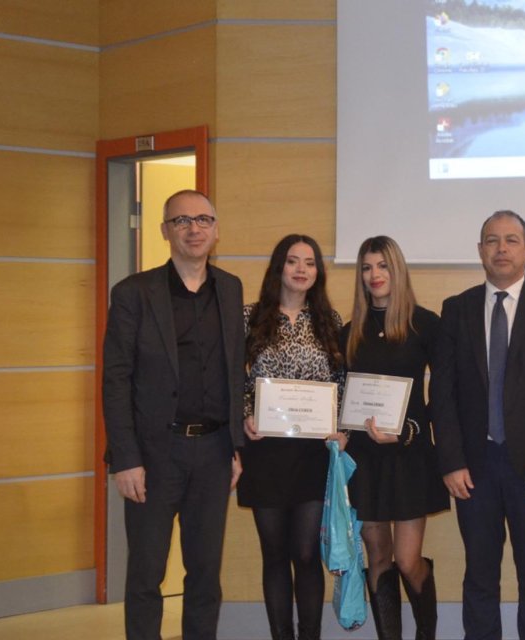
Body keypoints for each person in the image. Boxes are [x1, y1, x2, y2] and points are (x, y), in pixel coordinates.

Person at [430, 210, 525, 640]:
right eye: (492, 240)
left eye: (511, 240)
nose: (501, 249)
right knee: (479, 575)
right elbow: (441, 393)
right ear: (480, 251)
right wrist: (451, 461)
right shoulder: (456, 309)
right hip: (473, 467)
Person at [102, 189, 246, 640]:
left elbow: (233, 372)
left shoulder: (230, 289)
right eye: (182, 221)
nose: (193, 229)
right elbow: (116, 380)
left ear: (216, 230)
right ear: (165, 231)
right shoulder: (133, 293)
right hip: (153, 455)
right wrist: (125, 458)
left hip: (214, 451)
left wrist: (235, 446)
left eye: (203, 220)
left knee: (205, 574)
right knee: (146, 574)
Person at [236, 234, 344, 640]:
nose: (302, 269)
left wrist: (341, 427)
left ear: (318, 272)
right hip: (265, 451)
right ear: (279, 267)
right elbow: (232, 377)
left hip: (313, 453)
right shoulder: (249, 318)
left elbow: (341, 382)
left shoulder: (329, 321)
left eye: (310, 262)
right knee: (275, 554)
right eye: (293, 261)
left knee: (306, 552)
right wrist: (245, 414)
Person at [341, 236, 449, 640]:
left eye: (383, 266)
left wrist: (410, 431)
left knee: (406, 559)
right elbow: (341, 395)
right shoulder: (350, 332)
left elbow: (444, 392)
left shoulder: (425, 324)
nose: (375, 275)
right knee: (378, 557)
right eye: (367, 268)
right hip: (365, 459)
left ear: (397, 269)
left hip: (409, 455)